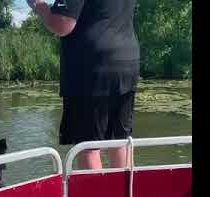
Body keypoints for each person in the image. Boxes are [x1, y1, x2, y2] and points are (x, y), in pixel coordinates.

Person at [26, 0, 140, 169]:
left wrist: (38, 5)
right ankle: (124, 195)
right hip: (127, 61)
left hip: (91, 67)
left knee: (88, 146)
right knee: (119, 141)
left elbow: (62, 24)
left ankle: (95, 196)